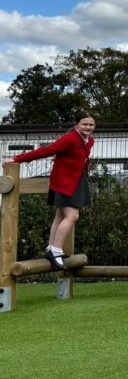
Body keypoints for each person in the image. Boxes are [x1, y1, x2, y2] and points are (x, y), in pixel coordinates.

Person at [3, 110, 96, 270]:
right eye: (84, 124)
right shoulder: (70, 139)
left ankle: (51, 248)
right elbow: (46, 151)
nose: (88, 127)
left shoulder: (89, 141)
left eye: (91, 124)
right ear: (76, 125)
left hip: (77, 181)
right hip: (64, 182)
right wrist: (18, 159)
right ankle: (56, 249)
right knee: (73, 215)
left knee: (60, 215)